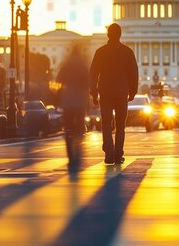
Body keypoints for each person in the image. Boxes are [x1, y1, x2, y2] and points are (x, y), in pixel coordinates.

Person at [89, 23, 138, 165]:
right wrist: (133, 91)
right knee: (120, 126)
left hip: (105, 92)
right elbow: (133, 73)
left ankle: (109, 153)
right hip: (122, 92)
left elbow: (93, 73)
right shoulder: (127, 52)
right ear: (120, 34)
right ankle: (118, 154)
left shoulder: (101, 52)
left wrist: (93, 92)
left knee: (106, 124)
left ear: (108, 35)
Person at [56, 43, 90, 171]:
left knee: (68, 127)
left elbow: (58, 78)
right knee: (80, 126)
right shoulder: (82, 65)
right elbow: (88, 81)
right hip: (80, 100)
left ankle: (70, 153)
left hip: (68, 100)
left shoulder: (66, 64)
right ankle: (78, 142)